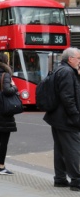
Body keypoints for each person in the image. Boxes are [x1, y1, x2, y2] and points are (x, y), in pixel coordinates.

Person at [43, 47, 80, 191]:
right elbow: (68, 97)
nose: (79, 61)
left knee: (60, 148)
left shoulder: (59, 69)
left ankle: (60, 179)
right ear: (70, 59)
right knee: (73, 148)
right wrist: (76, 116)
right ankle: (76, 180)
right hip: (66, 118)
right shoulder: (67, 73)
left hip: (56, 116)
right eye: (78, 58)